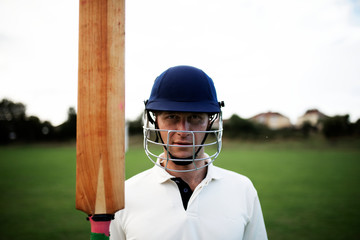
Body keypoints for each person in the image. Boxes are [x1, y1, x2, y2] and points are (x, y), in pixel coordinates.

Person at [110, 65, 268, 240]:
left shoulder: (242, 189)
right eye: (171, 117)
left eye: (194, 117)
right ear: (155, 122)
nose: (183, 131)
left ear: (210, 122)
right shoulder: (125, 195)